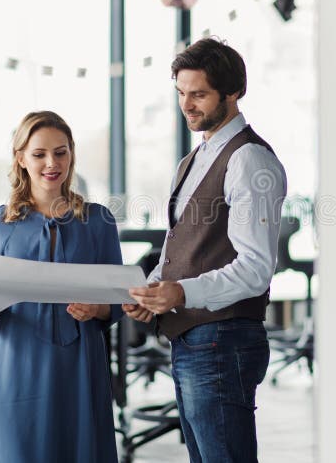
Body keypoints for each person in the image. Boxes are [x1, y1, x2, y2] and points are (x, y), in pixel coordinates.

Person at [124, 38, 287, 463]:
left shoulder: (249, 160)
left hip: (223, 340)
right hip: (194, 339)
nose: (187, 105)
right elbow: (183, 243)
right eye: (181, 92)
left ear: (233, 92)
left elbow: (255, 268)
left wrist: (181, 293)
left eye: (199, 94)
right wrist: (157, 291)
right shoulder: (194, 158)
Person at [0, 111, 123, 462]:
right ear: (21, 158)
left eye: (61, 152)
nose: (51, 163)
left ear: (72, 154)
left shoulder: (98, 220)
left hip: (79, 363)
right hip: (15, 362)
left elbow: (117, 302)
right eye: (39, 154)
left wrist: (97, 308)